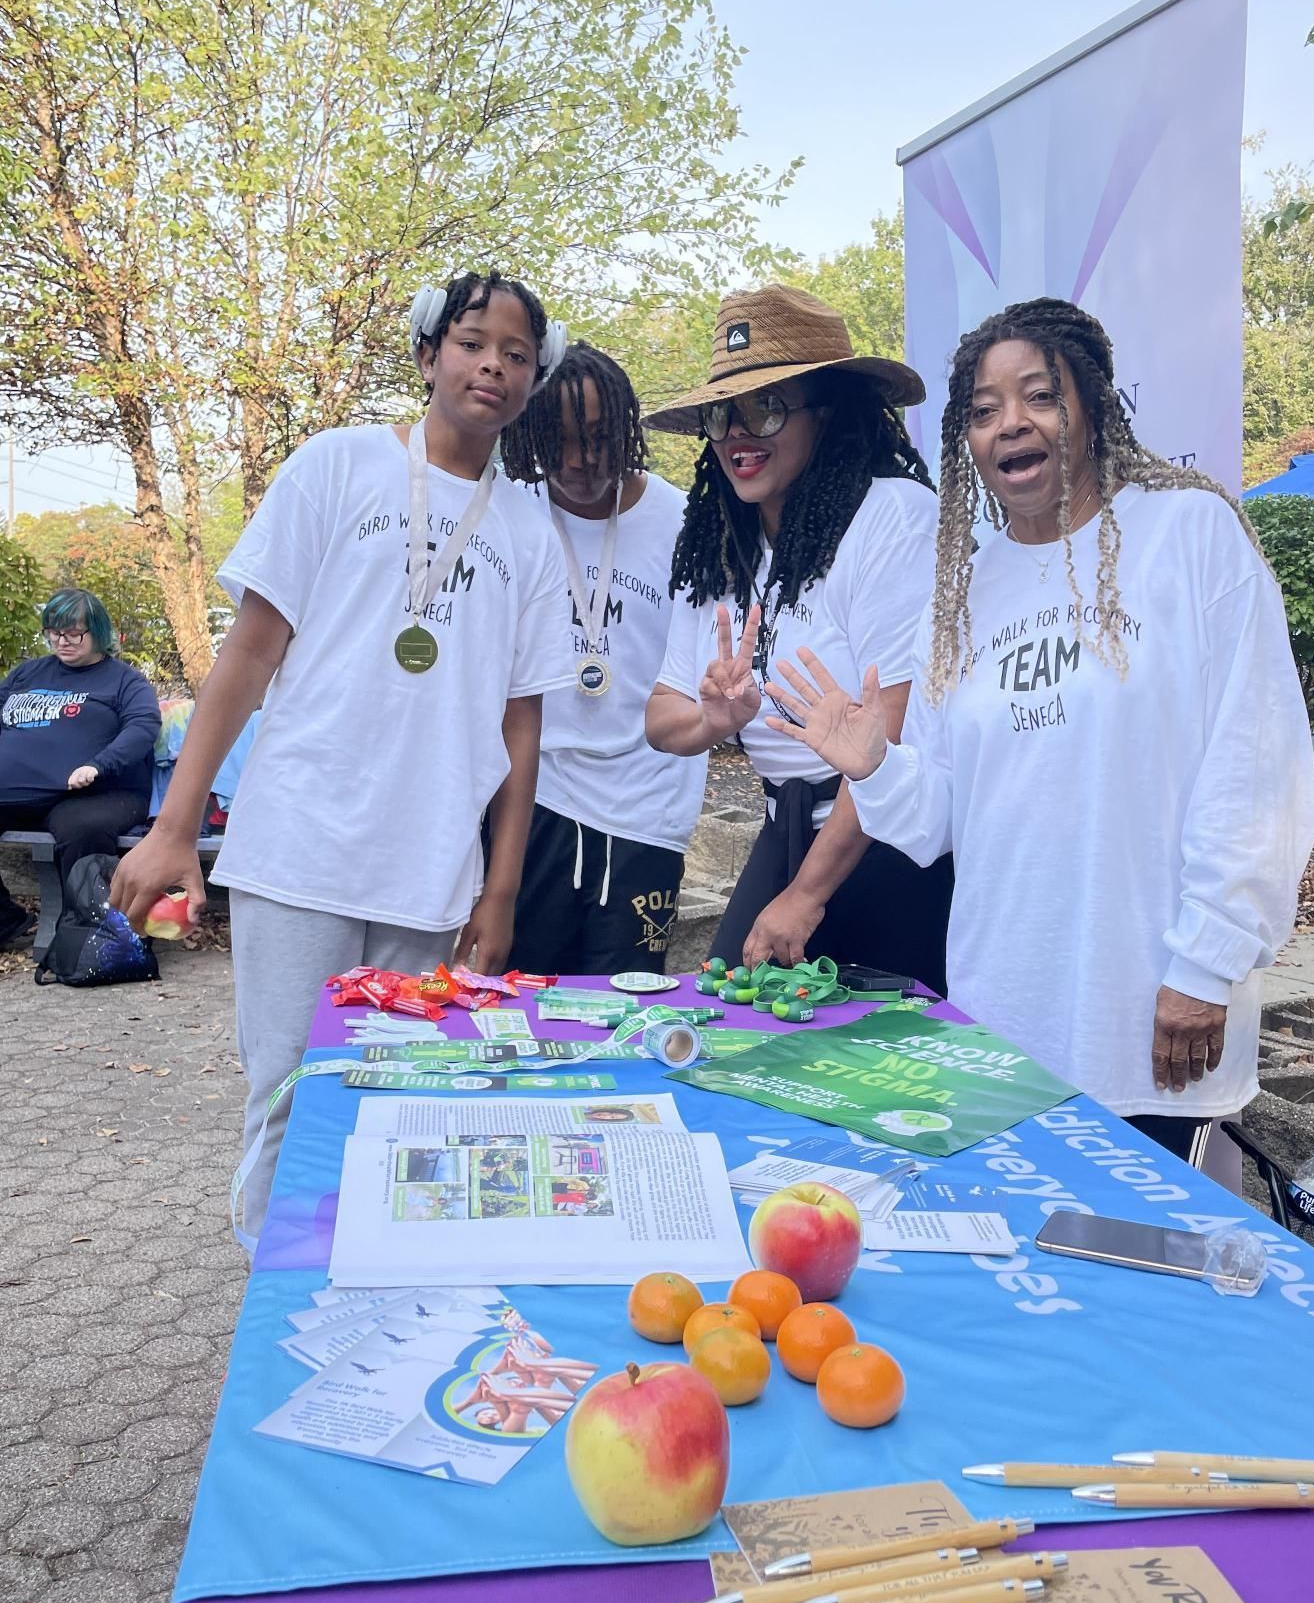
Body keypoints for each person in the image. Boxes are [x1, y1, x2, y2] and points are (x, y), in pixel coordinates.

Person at [765, 297, 1314, 1187]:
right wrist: (876, 765)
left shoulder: (1189, 535)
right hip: (1005, 1009)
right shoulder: (963, 593)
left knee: (1139, 1281)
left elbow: (1256, 768)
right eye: (983, 412)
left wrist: (1208, 963)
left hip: (1151, 1010)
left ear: (1091, 408)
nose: (1009, 424)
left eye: (1038, 396)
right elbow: (941, 816)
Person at [111, 270, 573, 1243]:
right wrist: (172, 828)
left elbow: (521, 728)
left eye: (518, 354)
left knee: (397, 1097)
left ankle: (362, 1309)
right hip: (303, 845)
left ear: (534, 380)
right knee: (287, 1092)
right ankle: (276, 1315)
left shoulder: (530, 528)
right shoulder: (338, 465)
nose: (493, 363)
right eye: (471, 341)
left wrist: (499, 892)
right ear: (426, 354)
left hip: (428, 864)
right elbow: (248, 652)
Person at [645, 285, 952, 991]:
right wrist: (713, 721)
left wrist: (807, 895)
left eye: (769, 407)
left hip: (884, 839)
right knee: (731, 1024)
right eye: (723, 414)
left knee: (872, 1067)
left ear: (831, 413)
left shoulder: (892, 519)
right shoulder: (722, 544)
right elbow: (661, 719)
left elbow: (894, 726)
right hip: (782, 834)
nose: (738, 434)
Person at [500, 343, 706, 972]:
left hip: (649, 806)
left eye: (598, 437)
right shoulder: (509, 513)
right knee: (523, 1004)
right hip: (537, 798)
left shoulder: (685, 521)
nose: (580, 461)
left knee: (624, 1013)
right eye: (557, 440)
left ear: (627, 429)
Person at [0, 590, 162, 947]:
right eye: (54, 632)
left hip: (99, 793)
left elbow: (143, 726)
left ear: (98, 632)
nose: (62, 641)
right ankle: (4, 921)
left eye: (74, 633)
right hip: (20, 792)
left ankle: (94, 939)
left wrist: (97, 765)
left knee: (83, 828)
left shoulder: (123, 681)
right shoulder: (27, 674)